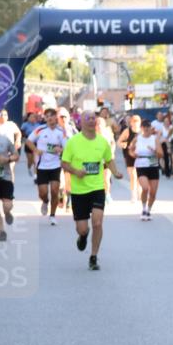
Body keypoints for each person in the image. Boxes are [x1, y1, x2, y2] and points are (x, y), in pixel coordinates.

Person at [60, 111, 123, 271]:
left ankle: (94, 256)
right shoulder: (73, 142)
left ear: (96, 122)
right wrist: (75, 172)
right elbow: (64, 163)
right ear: (81, 122)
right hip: (79, 191)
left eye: (93, 118)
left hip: (97, 188)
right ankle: (83, 236)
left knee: (97, 222)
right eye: (87, 118)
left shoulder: (102, 142)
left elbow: (109, 160)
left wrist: (115, 172)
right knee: (82, 228)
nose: (90, 120)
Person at [25, 107, 67, 225]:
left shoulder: (61, 132)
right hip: (42, 165)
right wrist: (36, 150)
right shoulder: (40, 130)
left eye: (51, 116)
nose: (49, 118)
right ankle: (45, 201)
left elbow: (67, 148)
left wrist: (61, 149)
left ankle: (53, 215)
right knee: (42, 192)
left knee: (54, 190)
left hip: (55, 165)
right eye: (47, 116)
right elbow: (28, 141)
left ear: (55, 118)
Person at [129, 119, 163, 221]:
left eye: (148, 128)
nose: (146, 130)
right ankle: (143, 208)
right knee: (145, 188)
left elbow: (161, 154)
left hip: (153, 165)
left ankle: (148, 209)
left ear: (151, 129)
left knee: (153, 192)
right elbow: (130, 150)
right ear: (141, 129)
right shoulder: (137, 139)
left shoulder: (155, 139)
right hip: (141, 165)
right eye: (144, 128)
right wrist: (133, 154)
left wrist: (155, 151)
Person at [117, 114, 142, 203]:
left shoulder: (142, 131)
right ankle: (133, 195)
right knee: (133, 176)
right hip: (129, 155)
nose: (135, 123)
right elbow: (119, 141)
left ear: (140, 122)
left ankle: (140, 193)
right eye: (133, 122)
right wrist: (123, 144)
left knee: (140, 176)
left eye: (137, 121)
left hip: (140, 156)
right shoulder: (127, 131)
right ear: (130, 123)